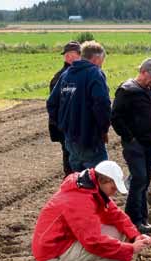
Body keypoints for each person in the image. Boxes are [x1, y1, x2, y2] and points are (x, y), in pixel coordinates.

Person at [32, 161, 151, 261]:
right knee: (114, 255)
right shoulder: (80, 199)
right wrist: (130, 249)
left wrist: (135, 236)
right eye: (113, 188)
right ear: (103, 180)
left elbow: (116, 215)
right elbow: (93, 242)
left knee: (122, 235)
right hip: (52, 251)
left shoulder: (91, 187)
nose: (114, 192)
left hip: (67, 238)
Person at [111, 58, 151, 234]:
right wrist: (130, 137)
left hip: (150, 143)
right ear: (143, 72)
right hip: (135, 144)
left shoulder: (150, 90)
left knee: (145, 180)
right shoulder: (127, 90)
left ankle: (142, 219)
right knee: (139, 179)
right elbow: (116, 118)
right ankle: (132, 220)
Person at [47, 41, 111, 172]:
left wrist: (63, 125)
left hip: (70, 138)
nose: (102, 64)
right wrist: (103, 129)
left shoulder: (66, 74)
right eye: (102, 60)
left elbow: (52, 103)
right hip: (90, 139)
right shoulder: (95, 74)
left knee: (78, 180)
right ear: (97, 58)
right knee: (99, 178)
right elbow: (102, 104)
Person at [48, 41, 81, 177]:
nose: (68, 57)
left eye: (72, 54)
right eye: (67, 55)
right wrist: (62, 124)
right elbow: (54, 104)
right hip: (67, 127)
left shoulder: (75, 74)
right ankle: (71, 186)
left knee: (72, 158)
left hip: (70, 126)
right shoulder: (62, 77)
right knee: (71, 160)